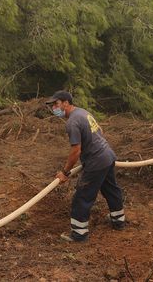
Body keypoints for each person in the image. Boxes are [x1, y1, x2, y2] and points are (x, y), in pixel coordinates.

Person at [46, 90, 125, 242]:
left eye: (56, 104)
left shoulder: (72, 122)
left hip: (96, 161)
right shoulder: (83, 112)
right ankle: (118, 220)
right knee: (111, 189)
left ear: (66, 103)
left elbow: (76, 151)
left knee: (82, 195)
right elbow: (100, 130)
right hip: (107, 156)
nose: (54, 108)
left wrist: (65, 172)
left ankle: (79, 234)